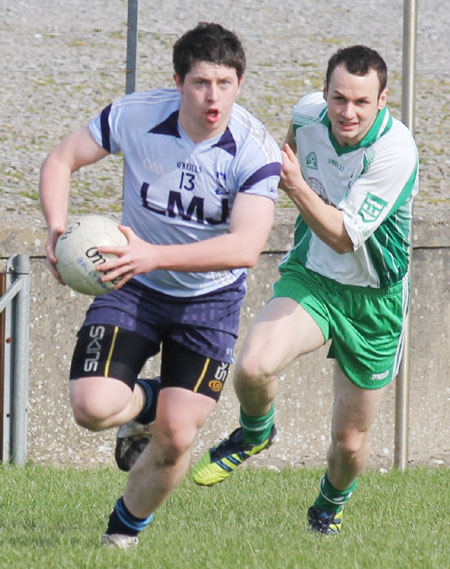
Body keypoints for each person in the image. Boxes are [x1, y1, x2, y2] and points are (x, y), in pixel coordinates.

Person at [39, 22, 281, 549]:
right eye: (200, 82)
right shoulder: (135, 115)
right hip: (133, 285)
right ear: (178, 81)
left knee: (177, 436)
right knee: (92, 408)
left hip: (209, 300)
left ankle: (119, 540)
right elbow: (61, 160)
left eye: (224, 82)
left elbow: (245, 248)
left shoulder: (254, 151)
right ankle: (148, 405)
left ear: (240, 82)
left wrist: (154, 256)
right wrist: (58, 231)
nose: (212, 96)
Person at [191, 45, 419, 535]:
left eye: (361, 102)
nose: (347, 112)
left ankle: (326, 510)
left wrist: (294, 184)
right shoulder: (306, 114)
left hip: (373, 301)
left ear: (383, 100)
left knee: (351, 442)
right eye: (338, 99)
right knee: (251, 366)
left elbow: (342, 234)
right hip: (313, 277)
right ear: (324, 92)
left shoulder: (395, 151)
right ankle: (255, 434)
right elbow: (282, 156)